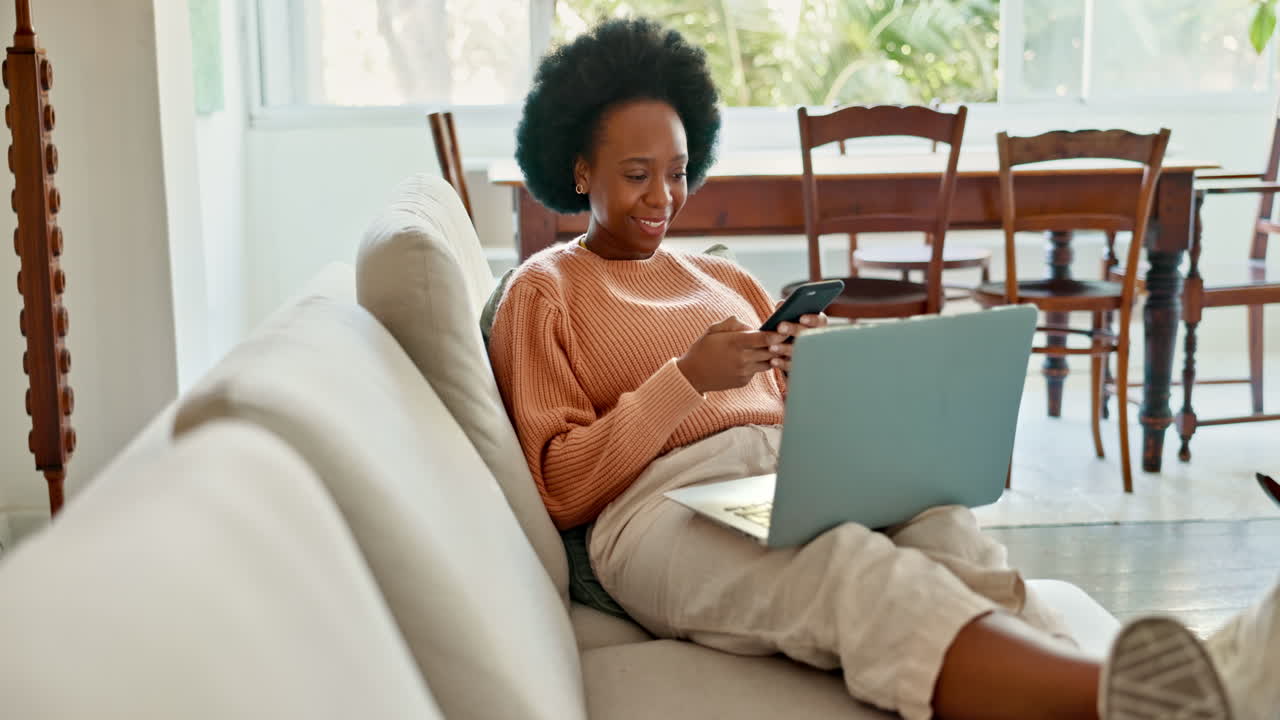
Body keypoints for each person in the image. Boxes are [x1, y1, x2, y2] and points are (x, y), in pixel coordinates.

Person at [487, 17, 1278, 720]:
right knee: (849, 571)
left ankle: (1143, 686)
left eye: (680, 169)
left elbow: (779, 401)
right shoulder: (544, 291)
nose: (665, 195)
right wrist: (685, 379)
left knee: (944, 527)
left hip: (786, 476)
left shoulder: (723, 279)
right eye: (636, 175)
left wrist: (814, 373)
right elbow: (560, 485)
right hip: (660, 509)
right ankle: (1132, 700)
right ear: (579, 168)